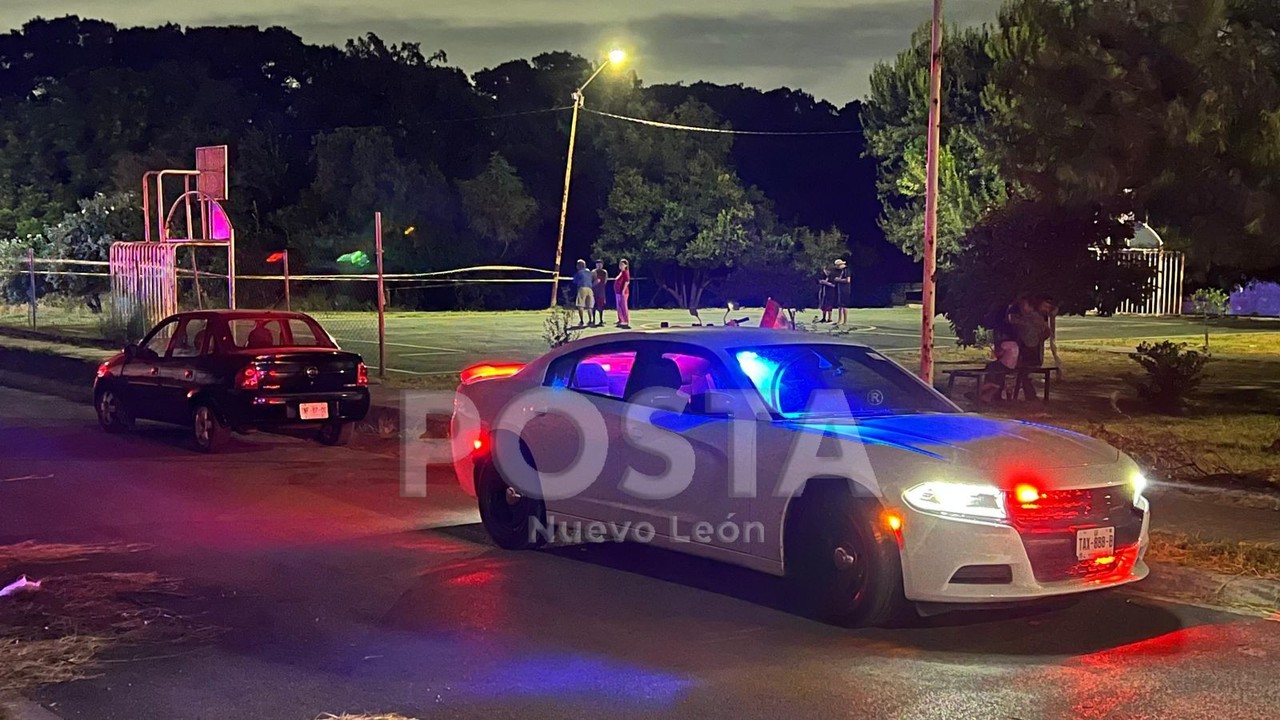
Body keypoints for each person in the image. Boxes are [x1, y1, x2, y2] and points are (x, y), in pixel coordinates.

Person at [1008, 295, 1050, 400]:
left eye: (1024, 305)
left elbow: (1046, 331)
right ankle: (1028, 395)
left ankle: (1029, 395)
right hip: (1029, 349)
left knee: (1024, 372)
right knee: (1023, 373)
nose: (1022, 308)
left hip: (1031, 351)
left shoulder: (1033, 318)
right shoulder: (1032, 318)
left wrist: (1038, 340)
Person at [572, 259, 594, 328]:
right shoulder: (589, 272)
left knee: (580, 305)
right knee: (589, 306)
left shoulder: (579, 272)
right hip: (590, 289)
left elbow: (575, 281)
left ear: (579, 266)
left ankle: (581, 321)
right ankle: (591, 321)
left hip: (582, 288)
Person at [832, 258, 852, 326]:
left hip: (845, 290)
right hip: (840, 289)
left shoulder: (846, 270)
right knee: (840, 306)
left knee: (844, 306)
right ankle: (839, 320)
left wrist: (838, 280)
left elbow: (848, 280)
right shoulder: (842, 271)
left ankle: (845, 321)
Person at [614, 258, 631, 329]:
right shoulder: (621, 272)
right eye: (620, 264)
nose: (620, 265)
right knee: (619, 306)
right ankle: (621, 320)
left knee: (624, 306)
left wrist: (623, 291)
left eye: (622, 264)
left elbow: (627, 281)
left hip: (623, 292)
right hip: (618, 292)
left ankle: (625, 321)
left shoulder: (625, 272)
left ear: (626, 265)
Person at [591, 260, 609, 327]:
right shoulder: (593, 272)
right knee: (594, 306)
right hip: (594, 291)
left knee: (601, 306)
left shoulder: (604, 272)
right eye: (598, 264)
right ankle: (593, 320)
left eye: (600, 264)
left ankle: (601, 320)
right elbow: (591, 282)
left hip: (601, 291)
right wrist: (595, 283)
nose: (599, 266)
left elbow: (605, 281)